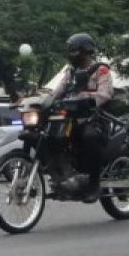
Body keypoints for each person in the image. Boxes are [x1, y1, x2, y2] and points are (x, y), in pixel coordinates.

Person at [52, 33, 113, 202]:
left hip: (97, 119)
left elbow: (105, 94)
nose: (72, 55)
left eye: (74, 51)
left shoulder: (101, 70)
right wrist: (40, 100)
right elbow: (57, 92)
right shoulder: (71, 72)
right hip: (73, 120)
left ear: (85, 51)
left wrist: (84, 97)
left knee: (89, 136)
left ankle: (94, 183)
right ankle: (63, 176)